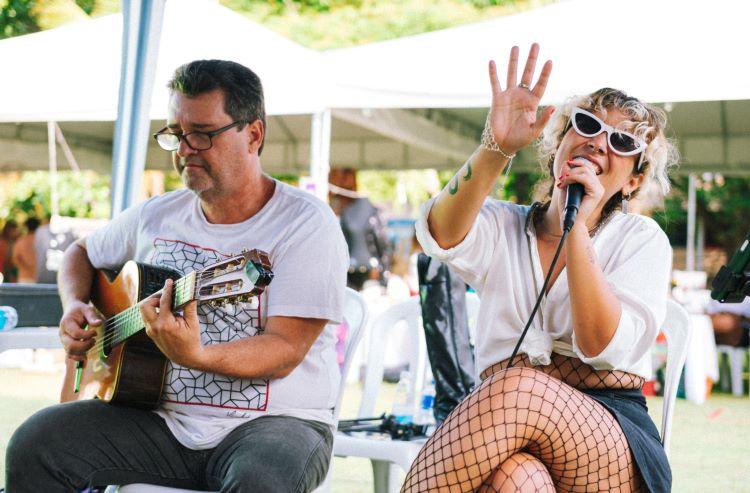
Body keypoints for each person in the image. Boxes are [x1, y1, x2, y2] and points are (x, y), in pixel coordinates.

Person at [5, 59, 348, 493]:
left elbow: (285, 350)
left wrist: (197, 355)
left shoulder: (305, 224)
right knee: (36, 445)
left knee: (260, 481)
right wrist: (74, 305)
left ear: (253, 135)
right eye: (175, 133)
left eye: (202, 134)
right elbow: (81, 253)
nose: (184, 149)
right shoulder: (157, 213)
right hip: (158, 422)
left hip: (275, 425)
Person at [403, 44, 677, 493]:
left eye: (622, 142)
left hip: (608, 437)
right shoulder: (503, 225)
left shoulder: (641, 240)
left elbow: (599, 343)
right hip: (505, 430)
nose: (597, 142)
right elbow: (438, 234)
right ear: (557, 143)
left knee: (520, 388)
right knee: (517, 477)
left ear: (633, 180)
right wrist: (496, 148)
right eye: (587, 125)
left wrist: (577, 228)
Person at [329, 168, 392, 291]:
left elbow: (383, 244)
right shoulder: (341, 211)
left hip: (368, 271)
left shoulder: (363, 209)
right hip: (348, 272)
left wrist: (381, 269)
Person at [11, 217, 40, 283]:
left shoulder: (21, 241)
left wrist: (26, 268)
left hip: (24, 277)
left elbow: (15, 259)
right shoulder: (42, 241)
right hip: (39, 277)